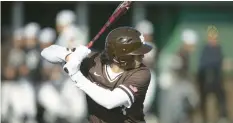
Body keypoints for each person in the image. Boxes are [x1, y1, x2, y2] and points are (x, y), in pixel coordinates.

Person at [41, 27, 153, 123]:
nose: (142, 56)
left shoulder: (141, 73)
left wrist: (76, 74)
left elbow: (110, 101)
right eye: (137, 54)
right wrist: (69, 56)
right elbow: (47, 52)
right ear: (121, 57)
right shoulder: (94, 61)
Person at [198, 25, 228, 123]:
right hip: (206, 79)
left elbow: (219, 63)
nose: (213, 40)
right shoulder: (206, 49)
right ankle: (203, 117)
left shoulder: (218, 49)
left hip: (217, 79)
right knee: (203, 98)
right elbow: (203, 64)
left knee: (222, 96)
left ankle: (222, 116)